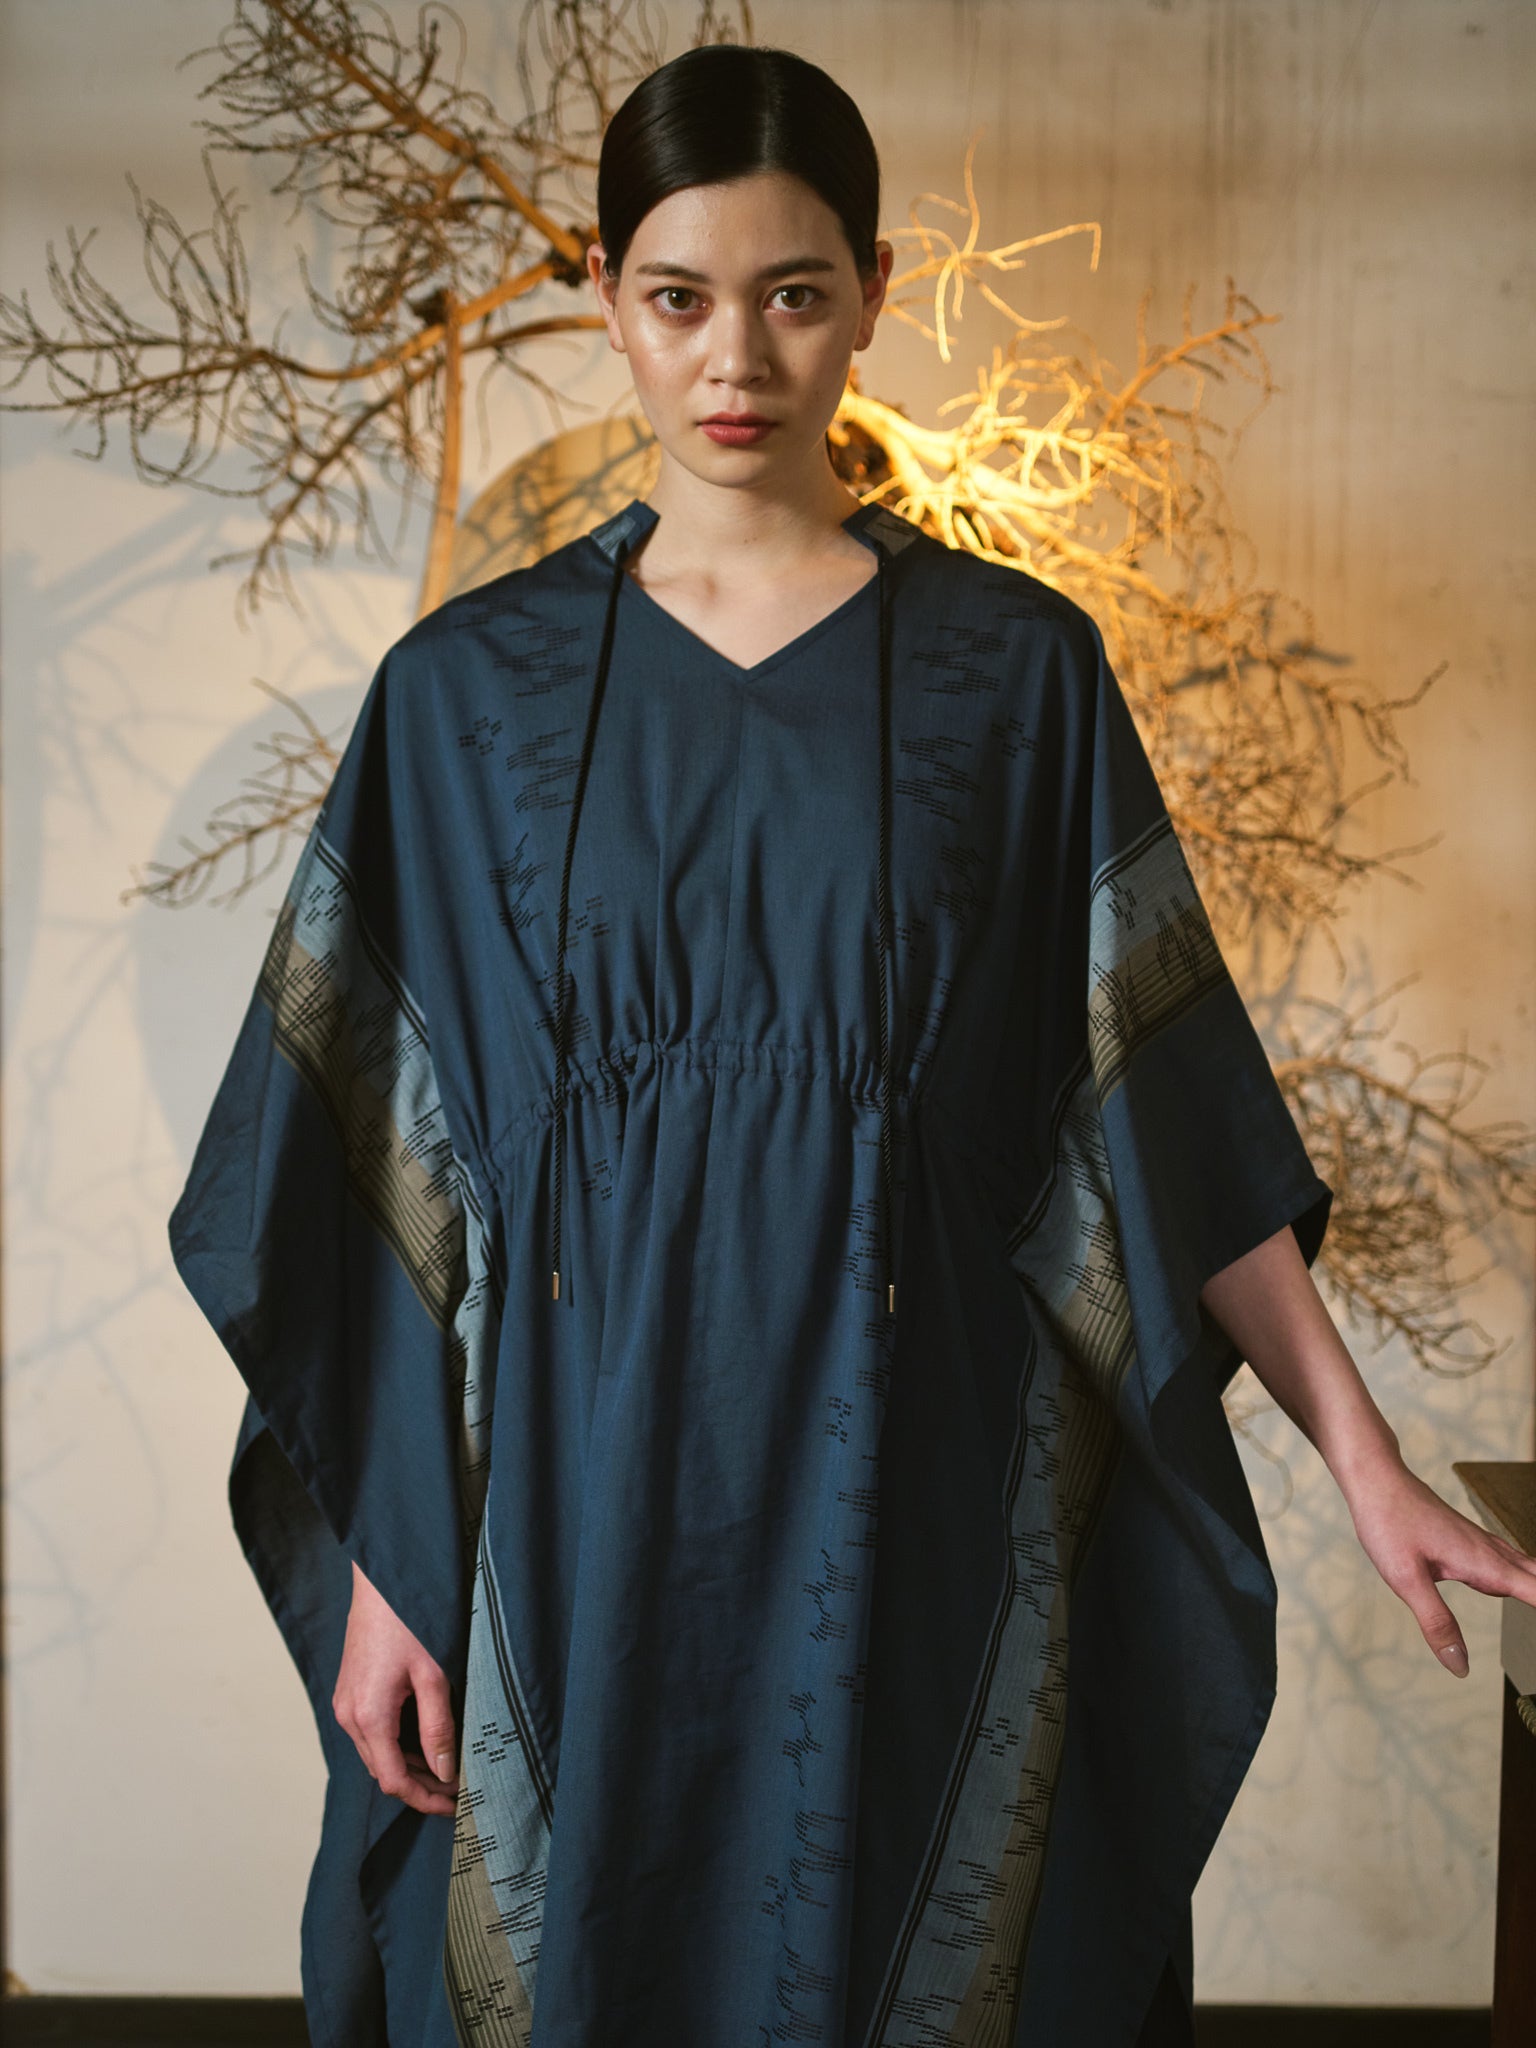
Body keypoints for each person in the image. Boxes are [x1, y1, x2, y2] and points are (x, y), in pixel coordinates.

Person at [167, 40, 1536, 2048]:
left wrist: (1366, 1454)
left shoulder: (1018, 677)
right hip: (568, 1498)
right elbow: (384, 1176)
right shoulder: (466, 698)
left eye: (795, 294)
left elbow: (1161, 1117)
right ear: (607, 296)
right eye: (680, 297)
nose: (738, 357)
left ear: (876, 294)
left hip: (919, 1476)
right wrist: (389, 1561)